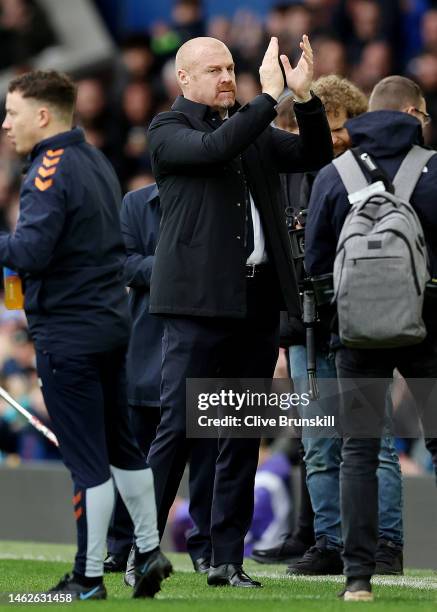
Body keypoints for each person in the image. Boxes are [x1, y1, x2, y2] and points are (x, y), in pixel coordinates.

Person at [146, 35, 333, 587]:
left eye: (231, 68)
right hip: (197, 305)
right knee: (178, 428)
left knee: (240, 437)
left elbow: (312, 154)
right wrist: (266, 101)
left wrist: (304, 100)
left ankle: (227, 559)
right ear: (184, 79)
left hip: (256, 302)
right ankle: (136, 546)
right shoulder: (166, 130)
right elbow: (213, 150)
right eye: (214, 70)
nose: (227, 77)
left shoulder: (249, 130)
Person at [1, 70, 172, 600]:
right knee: (123, 448)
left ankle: (88, 576)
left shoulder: (48, 169)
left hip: (68, 332)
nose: (6, 124)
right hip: (108, 325)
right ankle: (148, 553)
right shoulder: (95, 158)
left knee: (86, 461)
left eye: (13, 112)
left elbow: (30, 251)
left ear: (43, 116)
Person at [252, 77, 403, 576]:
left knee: (371, 442)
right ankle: (330, 543)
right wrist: (282, 332)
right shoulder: (289, 175)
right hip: (304, 326)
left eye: (340, 126)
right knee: (319, 444)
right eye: (323, 126)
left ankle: (385, 543)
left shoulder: (369, 178)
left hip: (360, 324)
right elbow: (279, 258)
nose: (332, 137)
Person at [305, 75, 437, 601]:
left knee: (357, 452)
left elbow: (315, 264)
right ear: (411, 114)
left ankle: (358, 579)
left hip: (355, 336)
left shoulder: (333, 175)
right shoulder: (433, 171)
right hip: (429, 329)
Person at [104, 182, 162, 576]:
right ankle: (118, 546)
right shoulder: (137, 203)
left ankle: (210, 550)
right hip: (144, 346)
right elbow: (120, 263)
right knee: (132, 454)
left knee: (211, 456)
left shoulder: (216, 199)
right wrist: (170, 266)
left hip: (204, 348)